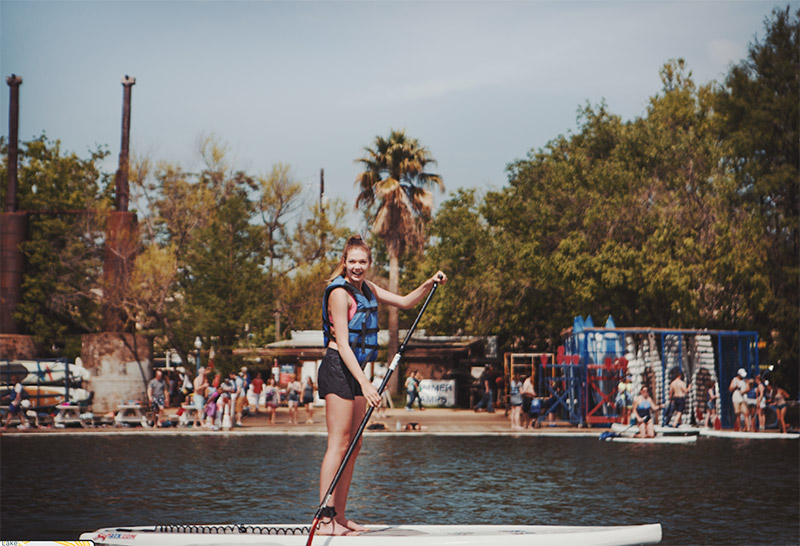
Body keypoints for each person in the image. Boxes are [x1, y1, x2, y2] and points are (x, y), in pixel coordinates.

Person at [315, 234, 446, 536]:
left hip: (356, 371)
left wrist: (429, 283)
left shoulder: (368, 289)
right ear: (344, 262)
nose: (357, 267)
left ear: (369, 263)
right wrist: (366, 383)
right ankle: (324, 519)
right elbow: (344, 345)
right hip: (338, 368)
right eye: (352, 262)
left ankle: (341, 515)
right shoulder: (339, 293)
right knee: (338, 443)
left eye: (363, 262)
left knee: (355, 444)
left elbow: (404, 302)